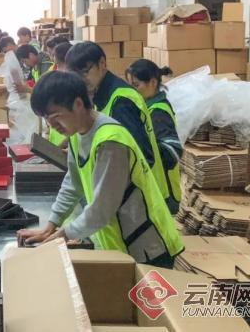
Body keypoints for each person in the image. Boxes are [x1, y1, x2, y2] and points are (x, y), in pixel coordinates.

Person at [17, 71, 184, 268]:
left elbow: (102, 210)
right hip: (121, 245)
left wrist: (64, 234)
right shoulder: (77, 134)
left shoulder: (110, 141)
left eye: (55, 117)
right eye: (47, 119)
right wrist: (51, 225)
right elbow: (73, 183)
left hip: (149, 247)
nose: (53, 127)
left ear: (78, 104)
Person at [65, 42, 172, 213]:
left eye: (85, 71)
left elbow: (138, 157)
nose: (81, 79)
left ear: (102, 63)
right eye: (75, 74)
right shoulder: (100, 96)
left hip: (141, 204)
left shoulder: (121, 102)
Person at [126, 60, 183, 214]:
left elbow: (174, 151)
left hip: (164, 192)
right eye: (130, 85)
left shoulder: (158, 112)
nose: (132, 90)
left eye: (136, 85)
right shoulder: (146, 108)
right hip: (157, 191)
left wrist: (143, 149)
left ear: (152, 82)